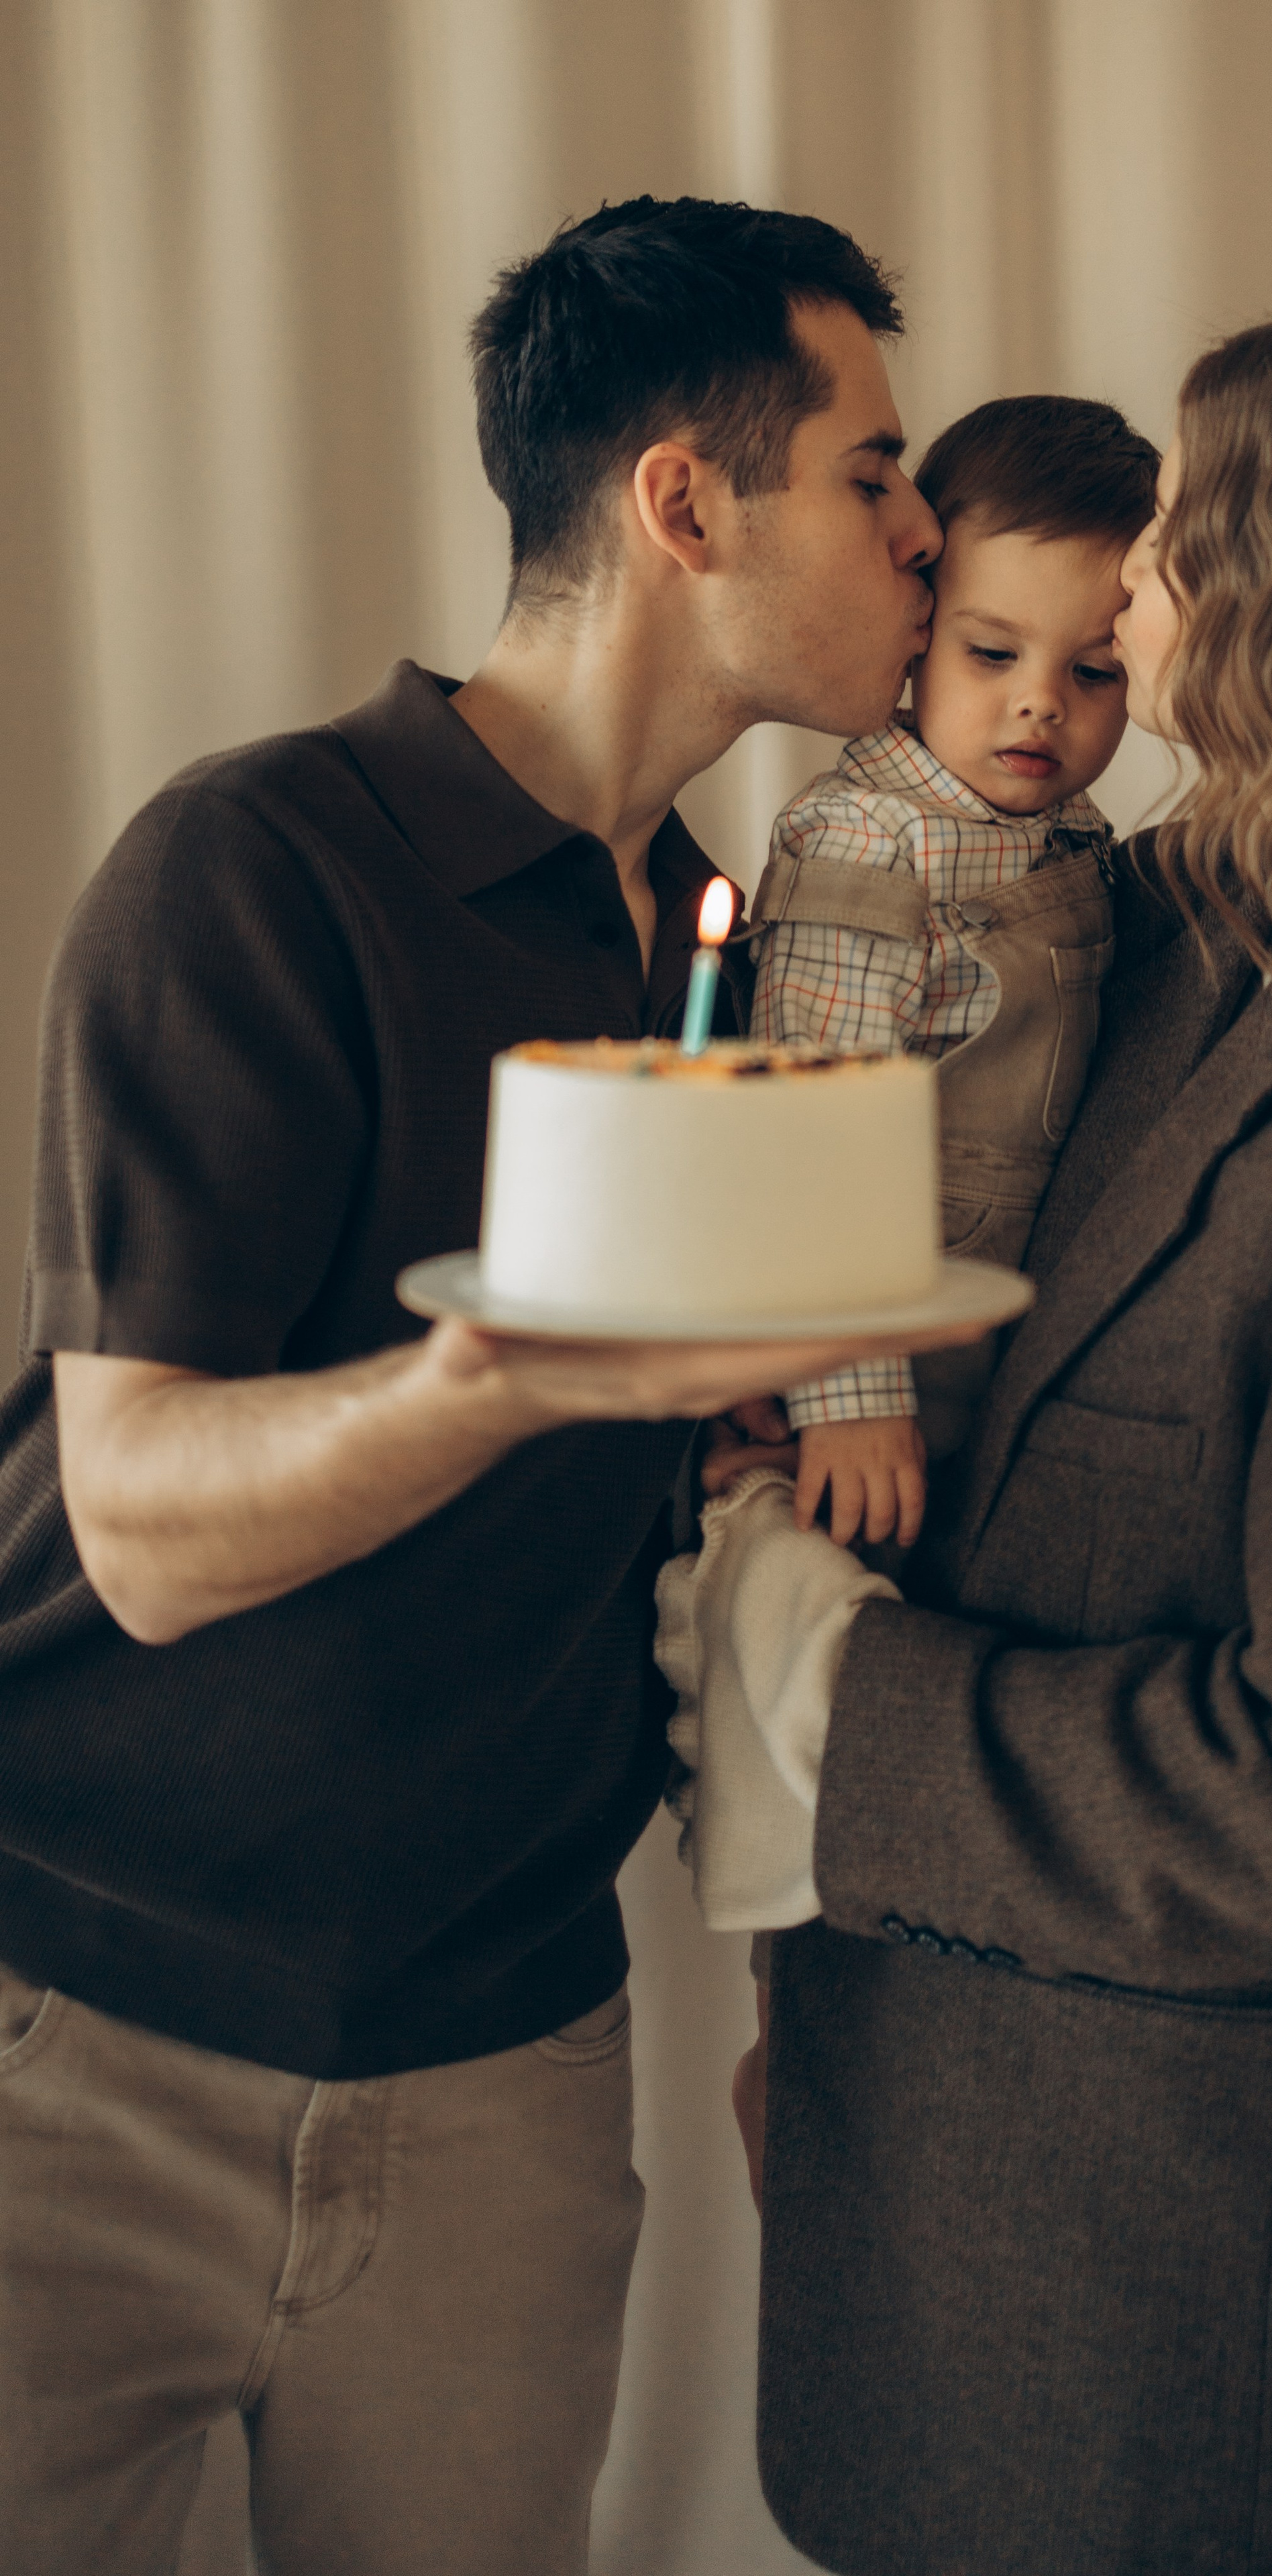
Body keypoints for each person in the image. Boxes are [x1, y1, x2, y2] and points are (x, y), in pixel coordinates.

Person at [666, 308, 1272, 2575]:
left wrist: (833, 1704)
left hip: (1154, 2297)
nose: (1120, 603)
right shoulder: (1145, 935)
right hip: (908, 2144)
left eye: (1177, 555)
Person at [0, 195, 959, 2576]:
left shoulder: (715, 949)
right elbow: (138, 1521)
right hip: (74, 2047)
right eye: (875, 471)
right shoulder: (253, 867)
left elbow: (661, 1534)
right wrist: (519, 1377)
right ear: (682, 502)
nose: (928, 535)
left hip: (505, 2077)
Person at [749, 397, 1158, 1546]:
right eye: (994, 653)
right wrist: (849, 1393)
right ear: (919, 627)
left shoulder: (1070, 828)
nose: (1042, 702)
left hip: (1015, 1325)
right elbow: (809, 1126)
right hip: (884, 1338)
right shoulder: (868, 838)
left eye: (1095, 671)